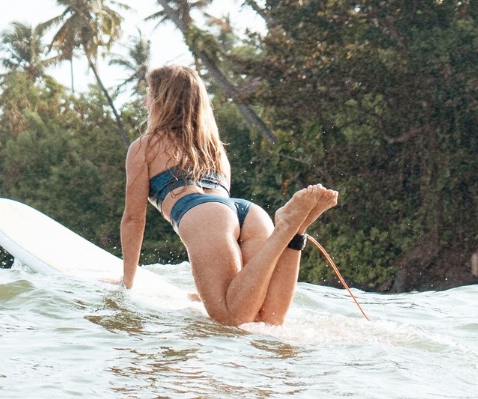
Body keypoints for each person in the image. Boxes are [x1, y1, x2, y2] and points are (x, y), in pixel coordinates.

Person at [120, 64, 337, 326]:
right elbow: (224, 226)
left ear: (163, 101)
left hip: (206, 214)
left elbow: (134, 219)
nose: (145, 101)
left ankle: (284, 230)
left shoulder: (145, 146)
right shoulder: (215, 149)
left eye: (150, 94)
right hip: (246, 212)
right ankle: (295, 233)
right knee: (268, 318)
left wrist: (127, 281)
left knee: (229, 317)